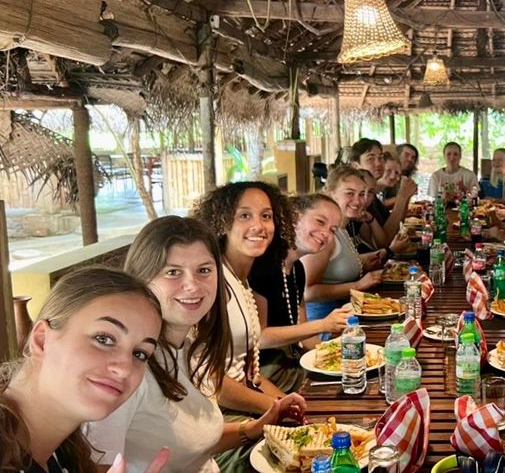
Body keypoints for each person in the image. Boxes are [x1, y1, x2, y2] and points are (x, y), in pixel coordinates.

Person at [86, 216, 306, 472]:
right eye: (173, 272)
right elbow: (97, 465)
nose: (192, 285)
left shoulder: (191, 345)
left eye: (204, 270)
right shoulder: (122, 372)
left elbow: (193, 445)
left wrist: (253, 428)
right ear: (142, 279)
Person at [0, 266, 169, 472]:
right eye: (103, 339)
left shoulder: (64, 452)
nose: (125, 368)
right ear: (42, 340)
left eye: (140, 354)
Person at [190, 181, 298, 414]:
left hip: (243, 406)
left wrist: (288, 404)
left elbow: (249, 374)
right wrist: (276, 408)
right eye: (244, 216)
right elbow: (212, 380)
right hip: (216, 417)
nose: (258, 226)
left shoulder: (241, 280)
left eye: (266, 216)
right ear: (221, 222)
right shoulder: (212, 281)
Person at [249, 194, 354, 389]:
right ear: (294, 216)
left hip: (292, 365)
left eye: (333, 230)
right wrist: (323, 324)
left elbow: (305, 335)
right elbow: (260, 337)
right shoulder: (262, 265)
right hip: (264, 377)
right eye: (320, 221)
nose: (326, 233)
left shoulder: (297, 269)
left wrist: (337, 355)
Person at [303, 165, 383, 323]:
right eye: (350, 193)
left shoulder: (341, 228)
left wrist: (363, 264)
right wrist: (359, 285)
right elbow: (308, 292)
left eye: (362, 194)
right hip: (324, 324)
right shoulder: (324, 234)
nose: (358, 201)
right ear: (329, 193)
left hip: (348, 316)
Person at [349, 138, 417, 243]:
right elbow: (385, 241)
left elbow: (396, 227)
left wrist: (406, 196)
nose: (378, 163)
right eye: (371, 159)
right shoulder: (358, 199)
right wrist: (402, 197)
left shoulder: (373, 197)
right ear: (355, 165)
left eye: (380, 158)